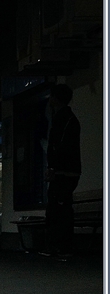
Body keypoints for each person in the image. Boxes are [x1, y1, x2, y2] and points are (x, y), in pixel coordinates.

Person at [44, 83, 81, 258]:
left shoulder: (62, 119)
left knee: (57, 208)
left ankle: (59, 245)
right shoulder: (69, 118)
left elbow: (59, 146)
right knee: (62, 208)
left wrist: (53, 167)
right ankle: (62, 245)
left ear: (55, 99)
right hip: (68, 170)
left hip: (63, 172)